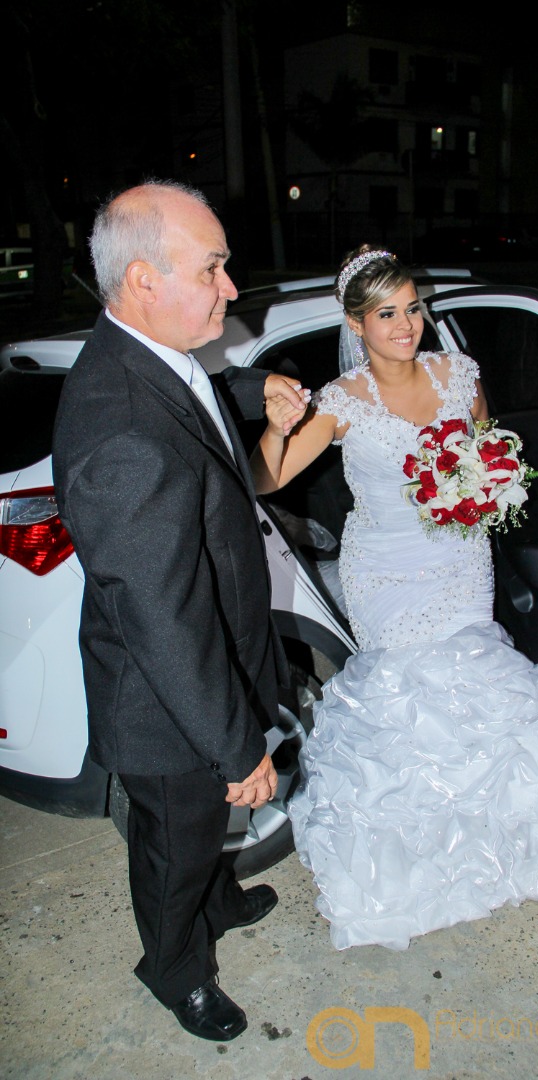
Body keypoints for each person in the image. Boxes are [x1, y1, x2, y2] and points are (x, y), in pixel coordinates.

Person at [252, 245, 538, 952]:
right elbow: (266, 479)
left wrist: (488, 486)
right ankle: (417, 848)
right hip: (385, 568)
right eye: (386, 314)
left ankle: (503, 828)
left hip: (459, 557)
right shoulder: (340, 401)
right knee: (405, 689)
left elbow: (487, 445)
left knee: (481, 674)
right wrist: (276, 427)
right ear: (356, 322)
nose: (405, 325)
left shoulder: (460, 373)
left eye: (412, 308)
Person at [52, 180, 309, 1040]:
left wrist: (259, 388)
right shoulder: (119, 427)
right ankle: (174, 968)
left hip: (201, 670)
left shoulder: (149, 354)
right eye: (213, 268)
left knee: (205, 834)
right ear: (143, 281)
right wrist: (236, 746)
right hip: (166, 700)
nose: (231, 288)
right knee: (175, 844)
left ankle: (218, 901)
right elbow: (163, 616)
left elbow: (199, 407)